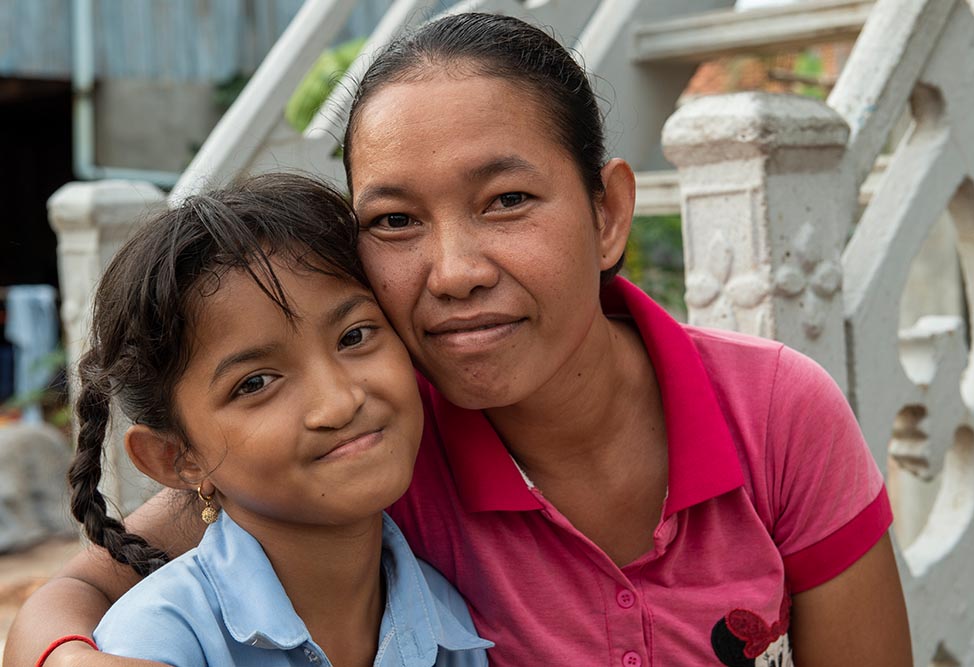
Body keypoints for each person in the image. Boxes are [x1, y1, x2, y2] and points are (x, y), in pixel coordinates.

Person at [5, 12, 911, 667]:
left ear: (607, 213)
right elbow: (81, 588)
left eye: (507, 199)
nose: (453, 269)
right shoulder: (375, 439)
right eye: (395, 219)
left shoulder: (773, 413)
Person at [27, 173, 490, 667]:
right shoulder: (158, 642)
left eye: (354, 337)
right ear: (175, 457)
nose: (338, 403)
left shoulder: (448, 625)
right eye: (256, 383)